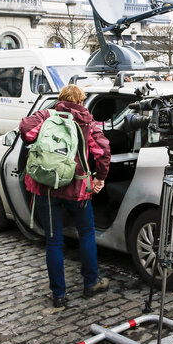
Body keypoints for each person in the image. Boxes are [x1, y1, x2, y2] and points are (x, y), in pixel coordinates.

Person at [19, 85, 111, 308]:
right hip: (77, 189)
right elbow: (103, 152)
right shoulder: (87, 121)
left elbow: (25, 131)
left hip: (46, 188)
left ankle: (58, 294)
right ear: (81, 101)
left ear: (60, 99)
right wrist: (100, 178)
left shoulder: (46, 115)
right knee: (87, 233)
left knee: (54, 240)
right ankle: (91, 282)